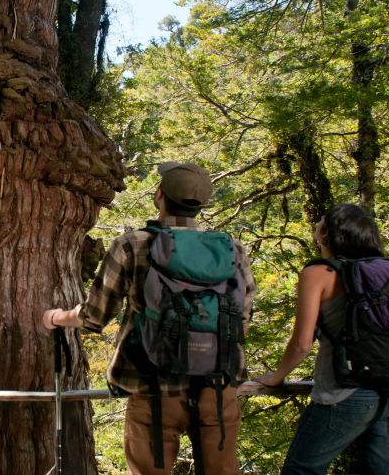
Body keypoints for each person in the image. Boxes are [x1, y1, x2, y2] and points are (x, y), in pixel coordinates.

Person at [43, 162, 256, 475]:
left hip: (154, 387)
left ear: (160, 196)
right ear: (201, 205)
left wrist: (57, 317)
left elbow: (94, 317)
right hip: (217, 386)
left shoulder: (133, 245)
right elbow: (243, 318)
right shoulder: (232, 251)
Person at [253, 203, 389, 475]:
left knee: (301, 470)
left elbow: (301, 344)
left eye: (321, 222)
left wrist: (276, 377)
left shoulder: (319, 273)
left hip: (343, 392)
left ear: (326, 236)